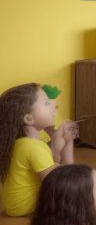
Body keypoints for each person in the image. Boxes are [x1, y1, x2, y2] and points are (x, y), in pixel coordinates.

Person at [0, 83, 59, 216]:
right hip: (26, 208)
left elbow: (53, 162)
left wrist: (56, 138)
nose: (55, 106)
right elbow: (54, 183)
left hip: (16, 207)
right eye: (47, 103)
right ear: (29, 118)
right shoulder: (32, 147)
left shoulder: (23, 144)